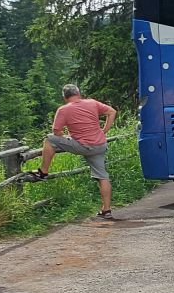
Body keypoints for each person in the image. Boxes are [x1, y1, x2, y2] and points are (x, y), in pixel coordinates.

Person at [25, 84, 118, 218]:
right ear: (79, 94)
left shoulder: (64, 110)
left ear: (65, 97)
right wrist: (104, 131)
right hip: (100, 144)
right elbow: (112, 112)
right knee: (103, 176)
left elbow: (56, 131)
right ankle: (107, 210)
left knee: (49, 140)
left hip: (82, 145)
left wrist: (67, 137)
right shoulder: (92, 103)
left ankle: (43, 172)